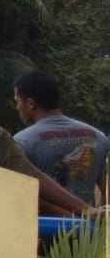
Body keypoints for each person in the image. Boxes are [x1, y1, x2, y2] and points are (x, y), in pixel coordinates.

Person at [14, 70, 110, 206]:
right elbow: (106, 193)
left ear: (30, 103)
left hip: (45, 226)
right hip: (89, 225)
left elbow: (22, 195)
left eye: (17, 101)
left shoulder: (22, 142)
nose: (17, 107)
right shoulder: (99, 137)